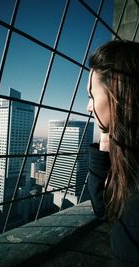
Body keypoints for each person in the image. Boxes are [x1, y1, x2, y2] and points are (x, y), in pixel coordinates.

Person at [87, 40, 139, 266]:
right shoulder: (132, 158)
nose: (88, 107)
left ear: (119, 93)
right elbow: (104, 209)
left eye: (91, 96)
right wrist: (107, 135)